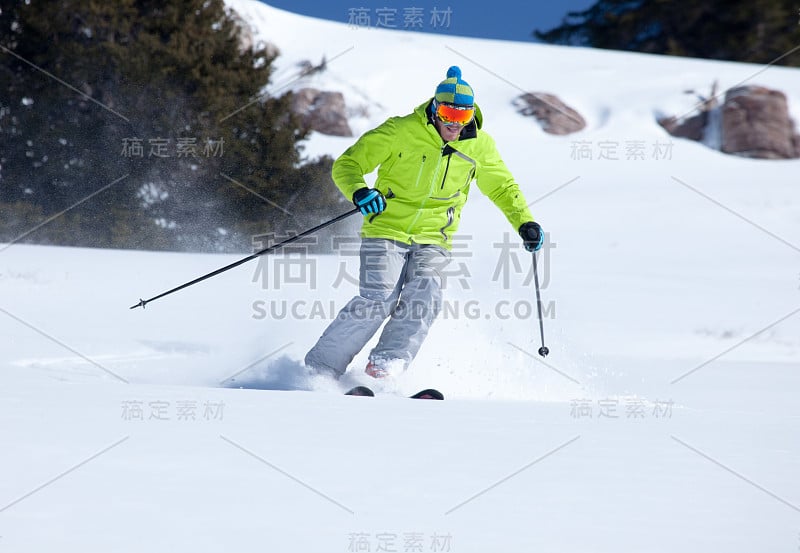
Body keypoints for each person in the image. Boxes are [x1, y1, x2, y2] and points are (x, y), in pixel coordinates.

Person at [304, 66, 543, 379]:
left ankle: (385, 366)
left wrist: (524, 222)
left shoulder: (479, 146)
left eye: (463, 116)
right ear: (434, 108)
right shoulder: (399, 131)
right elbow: (348, 164)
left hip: (435, 236)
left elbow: (501, 187)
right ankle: (320, 370)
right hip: (387, 228)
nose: (454, 124)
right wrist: (360, 191)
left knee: (426, 297)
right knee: (380, 298)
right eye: (448, 113)